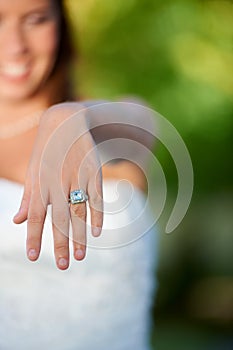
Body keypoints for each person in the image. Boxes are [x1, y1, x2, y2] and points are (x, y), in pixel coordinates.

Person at [0, 0, 158, 349]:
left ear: (61, 25)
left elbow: (146, 123)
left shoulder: (103, 125)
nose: (16, 46)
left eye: (36, 19)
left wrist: (72, 116)